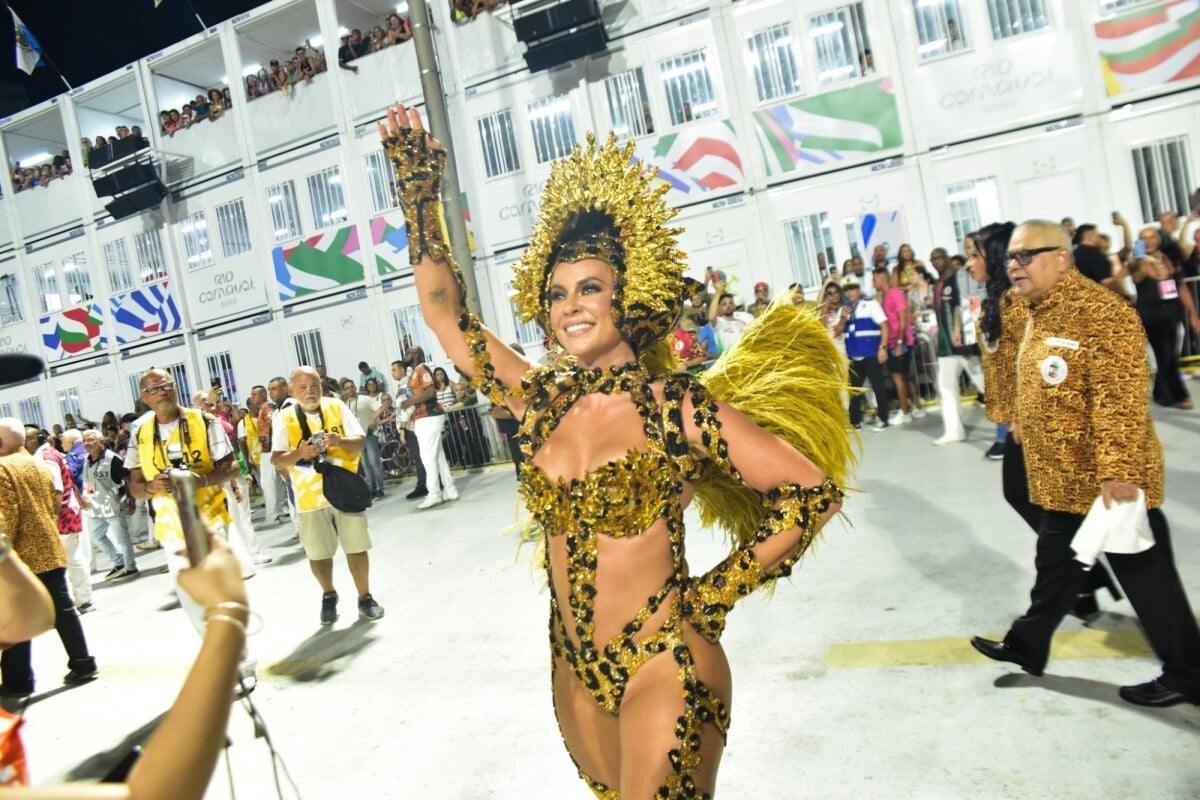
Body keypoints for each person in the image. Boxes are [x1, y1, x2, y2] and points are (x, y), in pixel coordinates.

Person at [379, 104, 850, 796]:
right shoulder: (537, 404)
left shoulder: (675, 408)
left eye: (590, 289)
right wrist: (417, 193)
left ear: (626, 295)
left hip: (664, 664)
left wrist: (710, 598)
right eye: (558, 294)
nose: (571, 307)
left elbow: (811, 492)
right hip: (573, 671)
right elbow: (445, 312)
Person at [969, 219, 1200, 708]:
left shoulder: (1102, 314)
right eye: (1010, 257)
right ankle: (1028, 644)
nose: (1014, 266)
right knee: (1055, 568)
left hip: (1107, 484)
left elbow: (1120, 398)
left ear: (1062, 258)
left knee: (1147, 576)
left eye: (1026, 256)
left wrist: (1118, 470)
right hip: (1060, 479)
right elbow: (1005, 361)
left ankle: (1190, 673)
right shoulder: (1026, 310)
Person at [966, 222, 1120, 616]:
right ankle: (1085, 581)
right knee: (1031, 500)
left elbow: (1034, 363)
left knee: (1049, 506)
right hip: (1017, 419)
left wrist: (1021, 414)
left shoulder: (1020, 303)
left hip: (1036, 421)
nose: (968, 264)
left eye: (973, 255)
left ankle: (1084, 580)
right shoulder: (999, 300)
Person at [272, 367, 384, 625]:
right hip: (309, 498)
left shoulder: (336, 407)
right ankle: (328, 594)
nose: (309, 392)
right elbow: (277, 459)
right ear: (292, 390)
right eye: (302, 387)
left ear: (321, 386)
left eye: (314, 386)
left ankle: (365, 597)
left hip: (345, 490)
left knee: (356, 547)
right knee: (318, 553)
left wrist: (339, 440)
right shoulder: (285, 417)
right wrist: (300, 453)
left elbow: (359, 441)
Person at [0, 417, 99, 696]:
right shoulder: (37, 464)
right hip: (49, 546)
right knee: (63, 610)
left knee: (16, 615)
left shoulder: (2, 468)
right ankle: (83, 662)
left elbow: (5, 518)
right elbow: (54, 502)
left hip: (21, 555)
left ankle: (19, 680)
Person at [1130, 226, 1199, 409]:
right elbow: (1132, 270)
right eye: (1144, 238)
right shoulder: (1139, 261)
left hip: (1171, 314)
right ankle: (1180, 395)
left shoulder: (1168, 258)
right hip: (1150, 315)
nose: (1149, 241)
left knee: (1167, 356)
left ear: (1159, 239)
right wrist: (1137, 247)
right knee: (1166, 355)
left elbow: (1182, 287)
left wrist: (1192, 313)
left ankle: (1161, 393)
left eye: (1152, 237)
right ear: (1139, 242)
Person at [398, 346, 457, 509]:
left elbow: (431, 392)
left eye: (408, 352)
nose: (405, 355)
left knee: (427, 457)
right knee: (438, 455)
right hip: (426, 417)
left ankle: (434, 494)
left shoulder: (421, 369)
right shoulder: (413, 374)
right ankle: (450, 489)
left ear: (416, 354)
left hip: (428, 416)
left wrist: (409, 402)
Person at [80, 429, 138, 582]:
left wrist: (132, 501)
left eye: (91, 440)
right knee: (96, 536)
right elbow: (90, 479)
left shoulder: (113, 459)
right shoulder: (86, 459)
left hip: (114, 504)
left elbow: (128, 479)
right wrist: (88, 497)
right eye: (84, 440)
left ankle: (130, 566)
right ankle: (119, 562)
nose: (87, 443)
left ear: (101, 441)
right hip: (96, 506)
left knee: (122, 538)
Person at [844, 273, 890, 431]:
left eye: (853, 289)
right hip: (854, 355)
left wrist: (883, 347)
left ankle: (883, 419)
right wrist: (843, 318)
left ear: (858, 290)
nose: (850, 293)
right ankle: (855, 421)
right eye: (847, 290)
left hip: (871, 353)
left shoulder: (870, 304)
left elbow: (884, 325)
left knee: (878, 387)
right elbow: (837, 330)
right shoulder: (845, 310)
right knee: (853, 390)